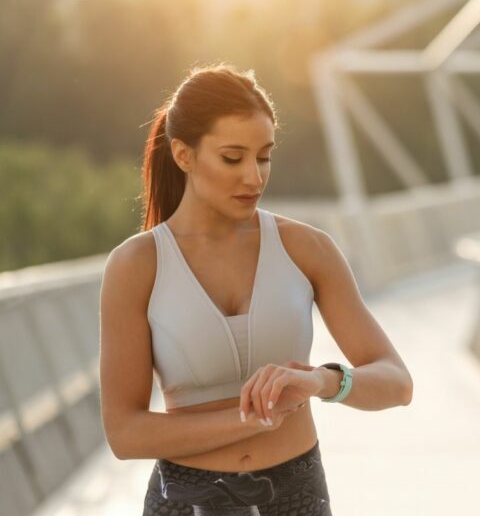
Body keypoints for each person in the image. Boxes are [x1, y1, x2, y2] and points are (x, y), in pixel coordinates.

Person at [98, 62, 414, 515]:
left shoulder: (308, 248)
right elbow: (125, 434)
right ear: (184, 155)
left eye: (263, 156)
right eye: (232, 157)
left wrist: (321, 382)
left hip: (297, 495)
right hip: (185, 502)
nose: (254, 177)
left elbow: (397, 383)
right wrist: (255, 418)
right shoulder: (136, 265)